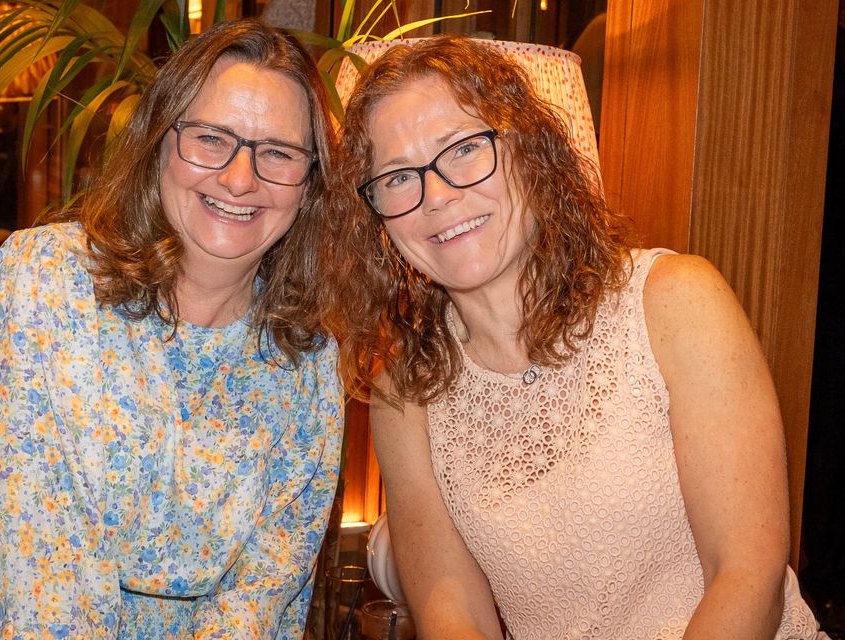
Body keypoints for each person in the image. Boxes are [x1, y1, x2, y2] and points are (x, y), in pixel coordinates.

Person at [325, 35, 828, 639]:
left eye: (462, 149)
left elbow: (747, 574)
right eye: (398, 177)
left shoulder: (674, 302)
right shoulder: (404, 389)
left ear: (530, 152)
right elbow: (451, 609)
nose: (437, 195)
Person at [0, 19, 343, 639]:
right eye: (211, 139)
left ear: (309, 183)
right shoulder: (48, 280)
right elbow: (39, 575)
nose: (239, 178)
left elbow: (262, 595)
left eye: (278, 153)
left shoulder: (307, 358)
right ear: (159, 143)